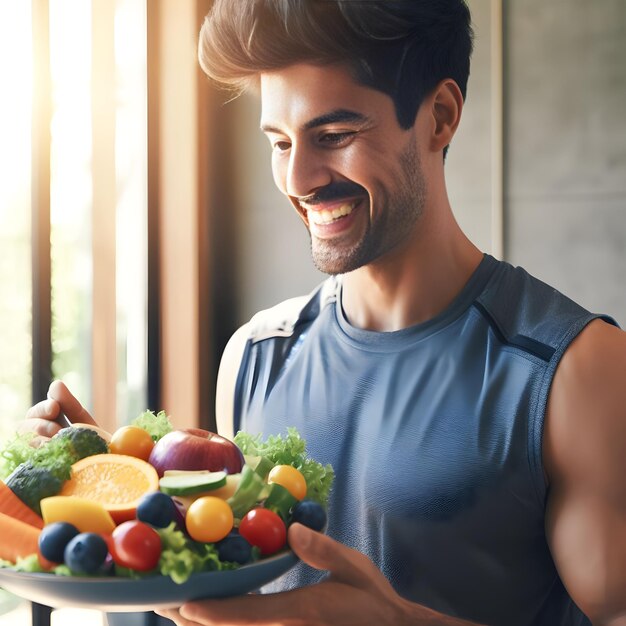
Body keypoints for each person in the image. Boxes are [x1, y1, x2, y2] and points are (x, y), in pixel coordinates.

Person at [22, 1, 626, 625]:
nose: (300, 177)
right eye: (280, 142)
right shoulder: (256, 355)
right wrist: (122, 491)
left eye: (335, 137)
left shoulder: (577, 371)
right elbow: (241, 594)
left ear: (439, 117)